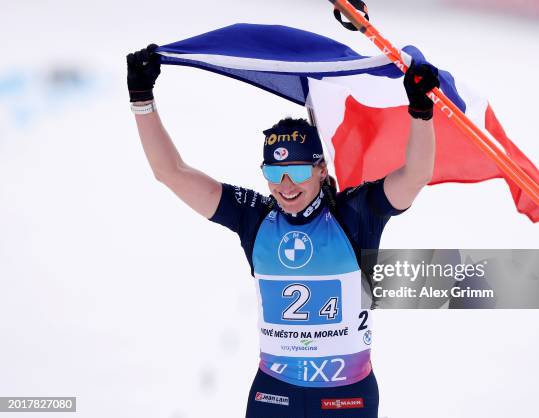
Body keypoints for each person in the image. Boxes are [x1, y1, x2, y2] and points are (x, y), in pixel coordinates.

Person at [127, 44, 439, 418]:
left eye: (298, 172)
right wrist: (142, 99)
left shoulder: (355, 214)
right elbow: (171, 172)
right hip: (274, 394)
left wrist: (421, 112)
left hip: (346, 398)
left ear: (322, 170)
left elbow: (415, 174)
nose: (285, 185)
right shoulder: (255, 218)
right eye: (274, 174)